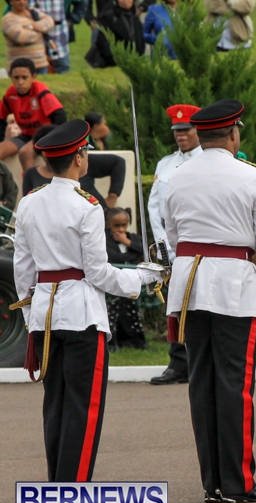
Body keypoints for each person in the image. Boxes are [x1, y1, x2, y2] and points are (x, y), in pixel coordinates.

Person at [12, 119, 163, 483]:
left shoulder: (29, 202)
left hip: (45, 316)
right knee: (83, 407)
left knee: (56, 405)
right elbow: (98, 272)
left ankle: (58, 488)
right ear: (79, 158)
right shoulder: (88, 206)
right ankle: (74, 491)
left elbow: (23, 269)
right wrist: (142, 277)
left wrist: (32, 315)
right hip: (81, 316)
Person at [163, 99, 256, 503]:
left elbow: (173, 236)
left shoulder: (176, 176)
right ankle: (238, 482)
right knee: (235, 385)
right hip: (234, 286)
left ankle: (213, 483)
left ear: (200, 135)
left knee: (202, 383)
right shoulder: (252, 177)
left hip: (189, 286)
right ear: (234, 134)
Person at [148, 103, 201, 386]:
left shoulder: (208, 161)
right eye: (177, 130)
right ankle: (178, 363)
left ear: (198, 130)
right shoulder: (165, 164)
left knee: (200, 306)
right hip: (171, 250)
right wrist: (163, 248)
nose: (181, 135)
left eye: (186, 130)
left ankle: (200, 362)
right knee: (175, 305)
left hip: (199, 246)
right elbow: (154, 207)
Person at [0, 58, 66, 171]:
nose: (20, 82)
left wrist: (53, 140)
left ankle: (33, 183)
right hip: (25, 136)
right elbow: (1, 118)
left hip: (43, 136)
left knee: (25, 153)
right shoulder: (10, 94)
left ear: (33, 77)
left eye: (24, 77)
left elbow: (60, 115)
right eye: (16, 78)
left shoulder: (40, 91)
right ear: (11, 77)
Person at [105, 207, 147, 351]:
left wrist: (127, 242)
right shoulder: (106, 240)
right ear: (108, 224)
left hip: (131, 282)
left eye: (124, 225)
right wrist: (132, 254)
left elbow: (144, 251)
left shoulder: (132, 238)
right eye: (117, 226)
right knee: (112, 312)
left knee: (133, 311)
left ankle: (138, 341)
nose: (121, 229)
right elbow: (113, 257)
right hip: (114, 282)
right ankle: (112, 343)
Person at [2, 0, 54, 74]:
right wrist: (41, 32)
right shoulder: (8, 19)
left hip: (41, 65)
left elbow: (50, 22)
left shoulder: (33, 12)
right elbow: (22, 37)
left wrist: (31, 26)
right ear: (10, 2)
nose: (21, 1)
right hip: (20, 67)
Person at [93, 0, 144, 68]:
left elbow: (140, 42)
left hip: (133, 62)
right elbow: (102, 41)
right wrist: (114, 59)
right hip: (112, 63)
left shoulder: (135, 19)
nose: (126, 1)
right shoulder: (108, 17)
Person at [33, 0, 71, 73]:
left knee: (63, 71)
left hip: (60, 42)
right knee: (39, 74)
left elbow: (81, 3)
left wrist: (72, 19)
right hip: (38, 43)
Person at [22, 124, 56, 195]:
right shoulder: (30, 173)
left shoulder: (69, 172)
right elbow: (26, 198)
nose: (49, 153)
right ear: (40, 152)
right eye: (46, 150)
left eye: (53, 149)